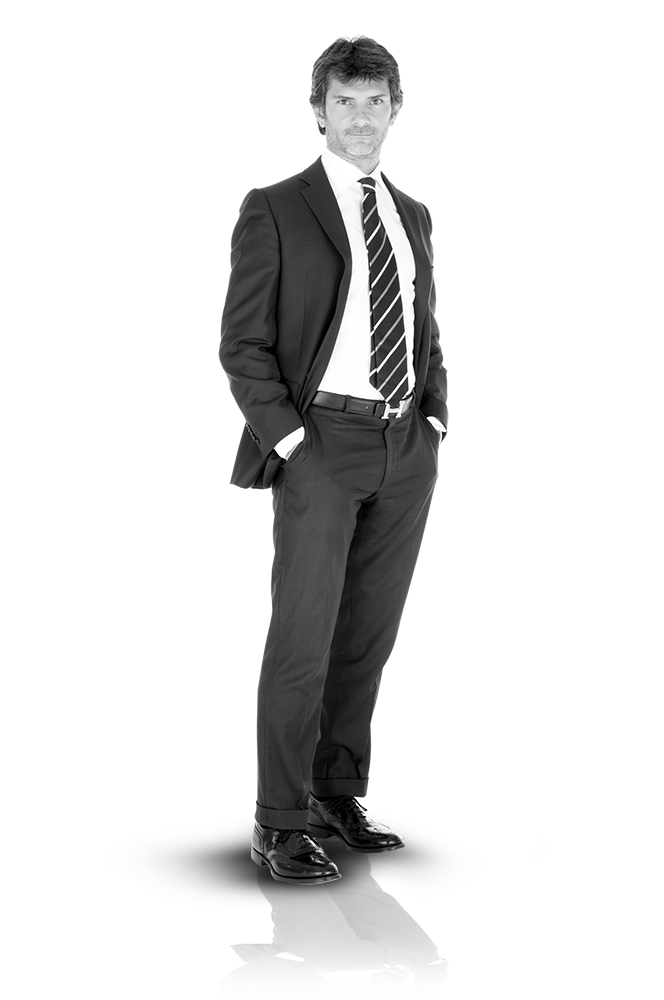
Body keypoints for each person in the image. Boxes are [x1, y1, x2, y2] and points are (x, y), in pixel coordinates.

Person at [219, 36, 448, 886]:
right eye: (344, 102)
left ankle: (336, 794)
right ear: (319, 111)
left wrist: (434, 419)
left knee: (365, 639)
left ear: (396, 109)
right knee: (302, 641)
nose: (360, 117)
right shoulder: (276, 207)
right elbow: (242, 342)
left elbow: (423, 328)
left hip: (404, 448)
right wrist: (290, 440)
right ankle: (277, 822)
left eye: (374, 101)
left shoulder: (413, 214)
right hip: (321, 444)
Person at [219, 846, 447, 1000]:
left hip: (323, 956)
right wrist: (434, 963)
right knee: (354, 882)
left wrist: (285, 960)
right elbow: (427, 988)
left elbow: (239, 987)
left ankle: (279, 820)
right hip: (401, 956)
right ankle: (329, 817)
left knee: (297, 880)